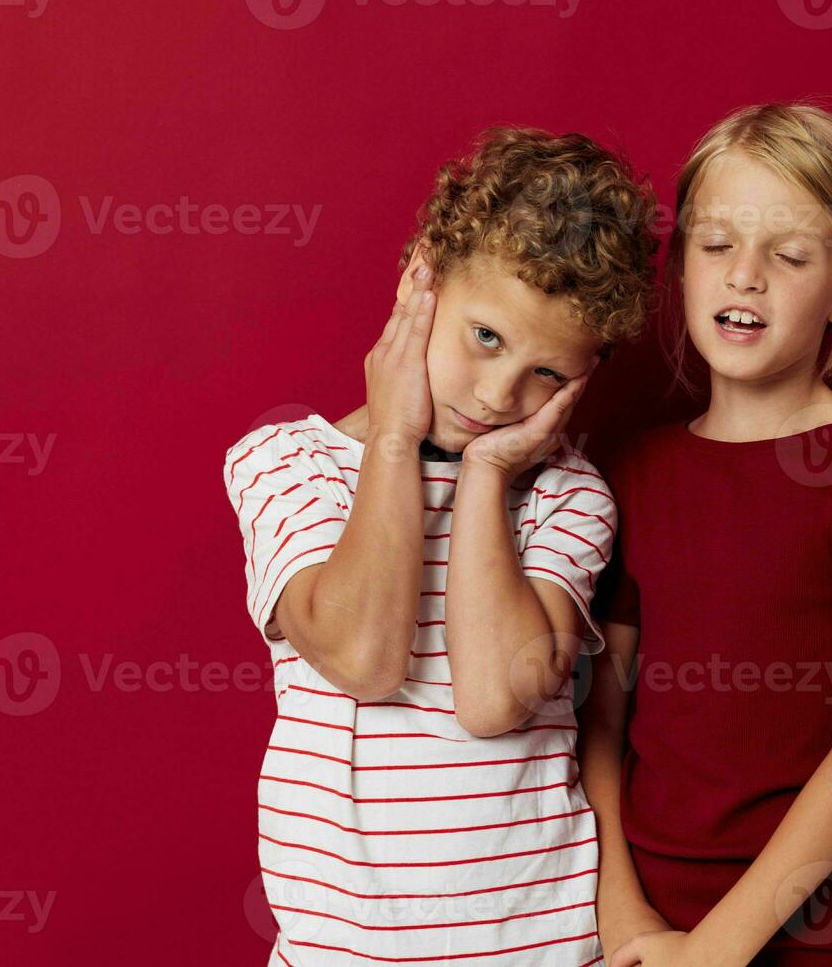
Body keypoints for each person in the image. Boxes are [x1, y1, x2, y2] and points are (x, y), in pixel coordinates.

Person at [222, 125, 658, 965]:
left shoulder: (566, 495)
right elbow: (363, 656)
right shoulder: (288, 463)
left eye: (549, 374)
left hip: (541, 952)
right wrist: (393, 437)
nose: (499, 395)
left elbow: (498, 697)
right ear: (421, 276)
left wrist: (491, 475)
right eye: (485, 338)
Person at [581, 103, 832, 966]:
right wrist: (621, 910)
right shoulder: (634, 472)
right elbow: (599, 718)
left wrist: (717, 949)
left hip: (813, 938)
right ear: (680, 266)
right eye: (716, 246)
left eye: (787, 255)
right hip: (643, 932)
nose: (744, 276)